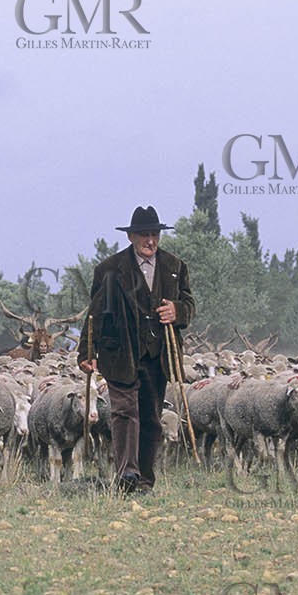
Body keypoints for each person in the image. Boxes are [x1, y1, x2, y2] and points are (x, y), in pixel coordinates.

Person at [79, 205, 195, 494]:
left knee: (151, 418)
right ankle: (126, 473)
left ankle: (144, 479)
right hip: (119, 353)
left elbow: (189, 306)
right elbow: (94, 315)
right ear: (131, 237)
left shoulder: (175, 267)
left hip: (158, 355)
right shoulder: (109, 269)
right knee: (124, 412)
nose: (150, 241)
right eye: (144, 235)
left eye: (154, 234)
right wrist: (86, 352)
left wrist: (176, 311)